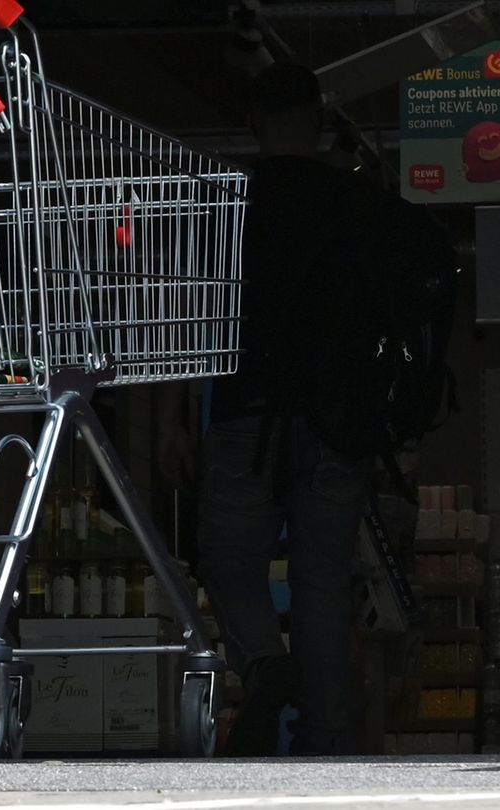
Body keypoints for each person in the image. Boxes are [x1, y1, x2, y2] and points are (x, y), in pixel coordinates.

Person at [158, 62, 385, 757]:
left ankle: (261, 659)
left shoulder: (233, 206)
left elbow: (187, 318)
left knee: (227, 558)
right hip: (336, 420)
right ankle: (327, 735)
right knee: (321, 577)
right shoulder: (359, 208)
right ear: (318, 120)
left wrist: (172, 414)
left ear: (253, 122)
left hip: (246, 411)